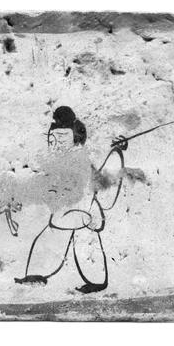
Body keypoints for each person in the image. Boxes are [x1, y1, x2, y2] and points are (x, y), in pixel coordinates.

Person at [14, 106, 127, 294]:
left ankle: (40, 274)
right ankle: (94, 281)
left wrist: (117, 146)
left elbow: (94, 174)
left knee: (67, 236)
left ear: (75, 137)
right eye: (53, 139)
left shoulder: (79, 157)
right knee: (79, 239)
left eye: (62, 137)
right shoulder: (63, 158)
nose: (57, 142)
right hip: (75, 208)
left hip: (79, 207)